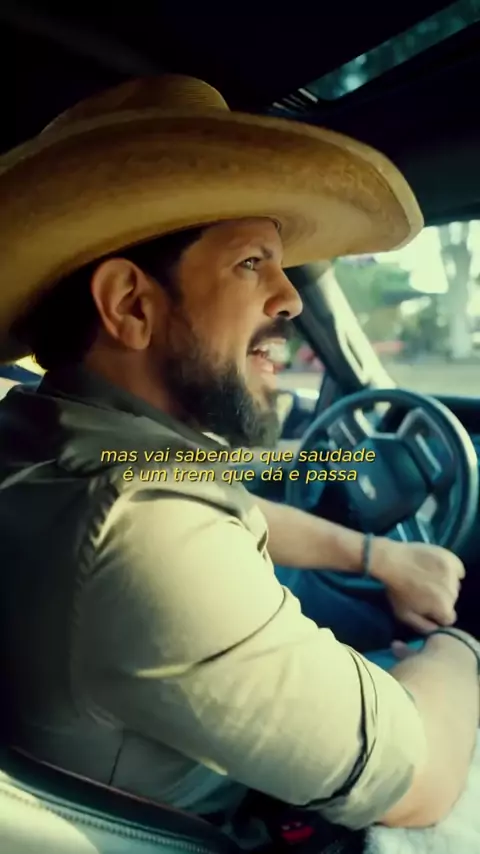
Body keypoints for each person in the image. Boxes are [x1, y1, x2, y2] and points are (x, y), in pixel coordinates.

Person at [0, 74, 478, 850]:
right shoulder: (148, 536)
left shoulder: (46, 437)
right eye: (254, 262)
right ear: (131, 305)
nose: (290, 299)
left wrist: (377, 555)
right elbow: (418, 778)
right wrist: (456, 650)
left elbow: (219, 501)